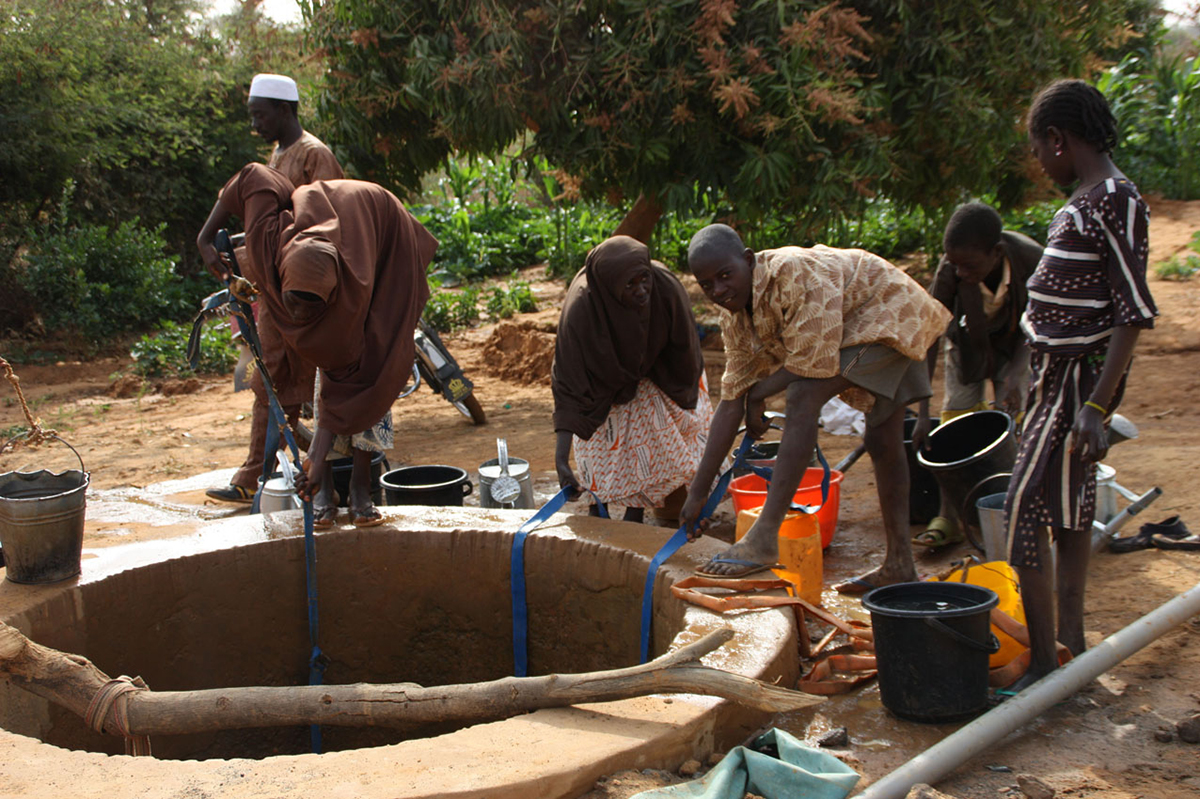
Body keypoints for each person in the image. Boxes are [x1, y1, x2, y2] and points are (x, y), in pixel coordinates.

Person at [681, 226, 950, 592]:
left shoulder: (793, 274)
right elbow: (731, 403)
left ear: (748, 260)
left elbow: (812, 367)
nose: (719, 291)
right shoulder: (735, 317)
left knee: (803, 397)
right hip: (859, 324)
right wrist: (697, 495)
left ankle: (765, 536)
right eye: (707, 284)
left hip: (889, 312)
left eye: (725, 275)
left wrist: (758, 394)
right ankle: (899, 563)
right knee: (882, 439)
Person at [1002, 79, 1156, 690]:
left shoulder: (1114, 200)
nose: (1038, 161)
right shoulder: (1088, 198)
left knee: (1020, 515)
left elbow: (1131, 312)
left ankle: (1044, 663)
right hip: (1053, 379)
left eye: (1039, 148)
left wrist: (1094, 405)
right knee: (1066, 512)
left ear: (1059, 140)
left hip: (1076, 385)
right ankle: (1071, 647)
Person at [205, 163, 436, 526]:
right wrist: (204, 238)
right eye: (291, 304)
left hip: (383, 240)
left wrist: (313, 454)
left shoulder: (349, 300)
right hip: (331, 231)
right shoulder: (269, 243)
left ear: (330, 299)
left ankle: (361, 487)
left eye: (308, 309)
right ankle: (325, 488)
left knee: (375, 366)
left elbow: (342, 378)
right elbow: (254, 177)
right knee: (326, 373)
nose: (297, 317)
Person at [200, 73, 344, 505]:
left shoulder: (314, 155)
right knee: (270, 377)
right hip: (273, 290)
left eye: (260, 115)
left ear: (284, 110)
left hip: (303, 293)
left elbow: (329, 221)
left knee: (315, 382)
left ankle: (327, 480)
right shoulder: (278, 154)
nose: (255, 124)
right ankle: (255, 475)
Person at [910, 202, 1044, 548]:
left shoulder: (1033, 261)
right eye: (954, 265)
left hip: (1017, 347)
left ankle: (1011, 511)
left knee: (1011, 426)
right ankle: (950, 517)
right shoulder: (952, 267)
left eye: (969, 266)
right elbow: (929, 337)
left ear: (996, 252)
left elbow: (1042, 322)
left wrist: (1016, 373)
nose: (960, 272)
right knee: (953, 428)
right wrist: (924, 411)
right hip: (967, 349)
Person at [552, 236, 713, 523]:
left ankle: (638, 509)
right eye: (630, 285)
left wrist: (684, 403)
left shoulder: (664, 288)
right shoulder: (582, 309)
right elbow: (569, 384)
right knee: (601, 439)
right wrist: (561, 459)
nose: (642, 291)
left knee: (649, 421)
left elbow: (685, 353)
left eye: (644, 280)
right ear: (608, 287)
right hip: (598, 385)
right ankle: (597, 505)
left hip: (658, 371)